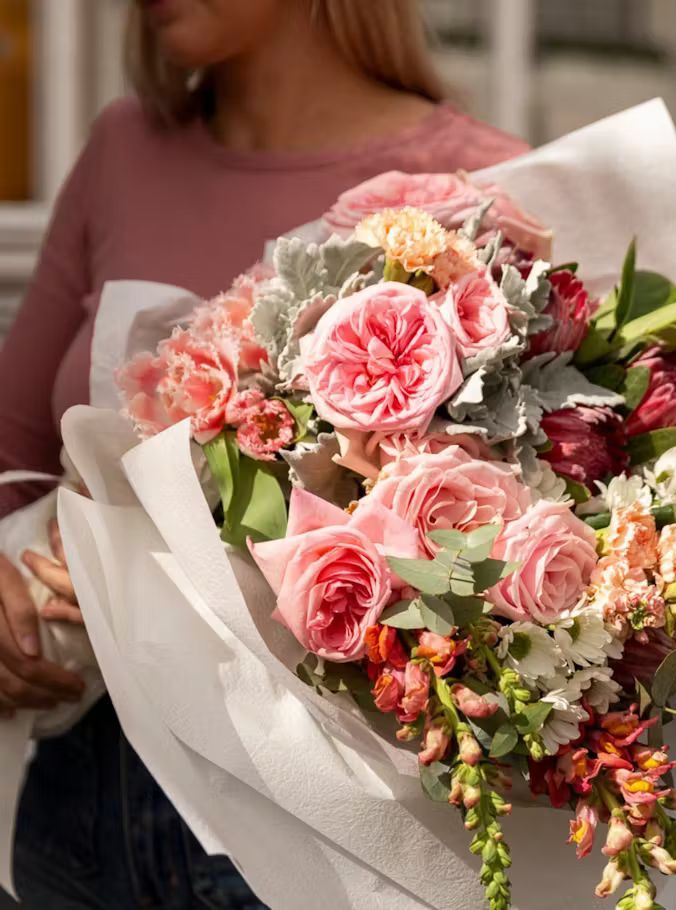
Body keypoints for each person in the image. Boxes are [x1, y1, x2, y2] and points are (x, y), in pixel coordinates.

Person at [0, 0, 529, 906]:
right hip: (78, 802)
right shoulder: (125, 149)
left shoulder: (479, 185)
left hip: (317, 837)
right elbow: (14, 447)